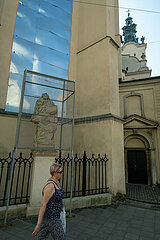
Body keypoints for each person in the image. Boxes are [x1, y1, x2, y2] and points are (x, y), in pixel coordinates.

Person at [32, 163, 65, 239]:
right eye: (60, 172)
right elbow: (43, 205)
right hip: (51, 217)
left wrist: (60, 202)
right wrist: (38, 224)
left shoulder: (57, 182)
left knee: (41, 238)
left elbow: (55, 197)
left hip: (55, 215)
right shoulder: (50, 186)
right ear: (54, 173)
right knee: (61, 237)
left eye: (62, 171)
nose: (62, 173)